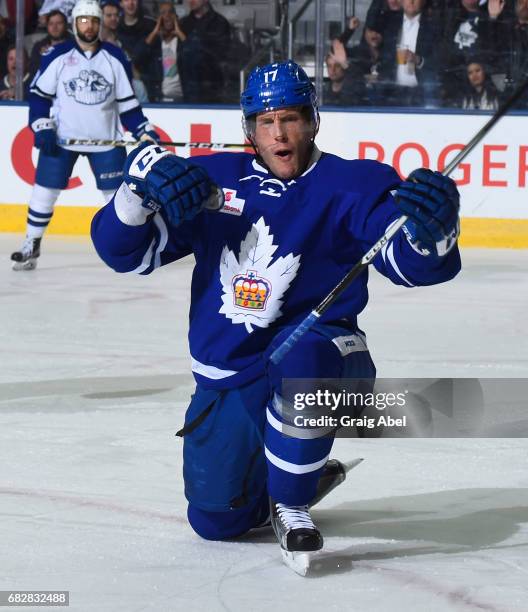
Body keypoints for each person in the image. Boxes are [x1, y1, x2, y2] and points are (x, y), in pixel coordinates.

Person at [90, 61, 461, 572]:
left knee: (302, 353)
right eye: (265, 121)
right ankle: (301, 470)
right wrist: (132, 198)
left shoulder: (354, 184)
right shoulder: (211, 181)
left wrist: (435, 232)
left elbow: (411, 265)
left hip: (328, 360)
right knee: (215, 522)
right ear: (249, 129)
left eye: (290, 118)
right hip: (233, 375)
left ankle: (291, 502)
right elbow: (124, 255)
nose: (280, 133)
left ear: (312, 120)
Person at [10, 0, 158, 271]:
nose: (88, 26)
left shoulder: (115, 57)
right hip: (63, 139)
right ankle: (31, 244)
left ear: (100, 24)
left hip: (106, 141)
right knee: (44, 191)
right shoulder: (57, 55)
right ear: (74, 23)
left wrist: (142, 129)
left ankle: (129, 246)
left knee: (118, 198)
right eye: (83, 20)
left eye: (93, 20)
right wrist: (41, 126)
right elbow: (39, 97)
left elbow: (127, 104)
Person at [178, 0, 231, 103]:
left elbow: (220, 55)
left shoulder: (219, 22)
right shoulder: (183, 23)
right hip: (186, 86)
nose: (191, 1)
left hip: (211, 87)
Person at [28, 10, 71, 79]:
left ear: (66, 25)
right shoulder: (39, 47)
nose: (54, 27)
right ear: (47, 26)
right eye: (51, 24)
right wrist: (43, 58)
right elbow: (33, 72)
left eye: (59, 23)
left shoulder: (74, 46)